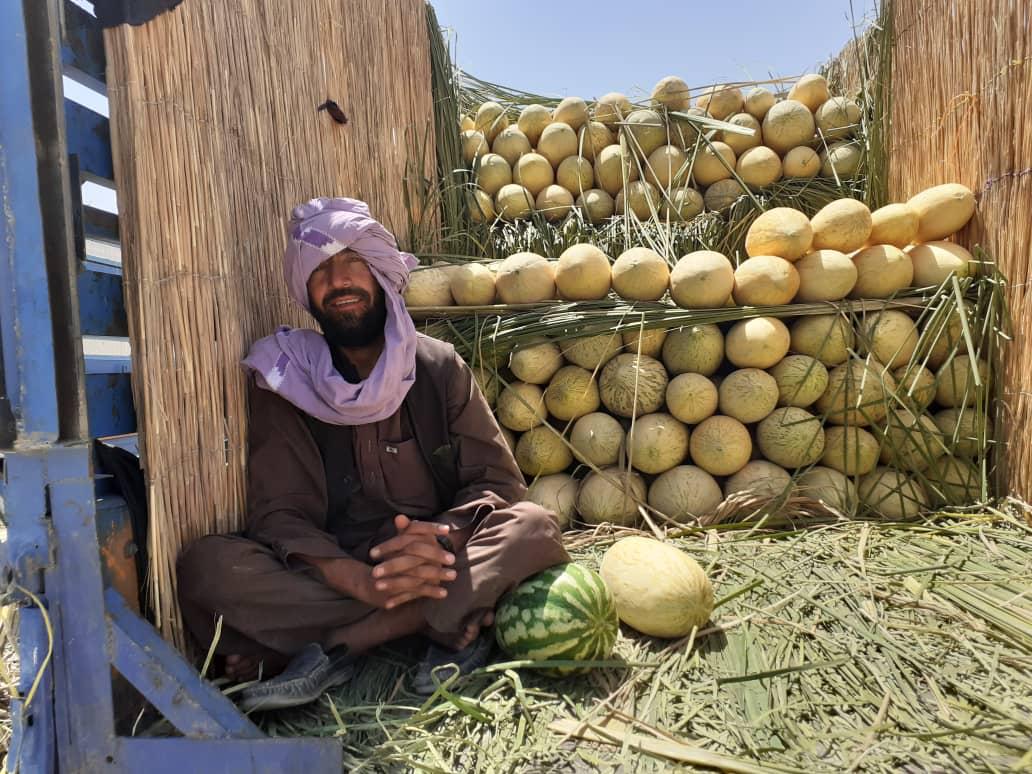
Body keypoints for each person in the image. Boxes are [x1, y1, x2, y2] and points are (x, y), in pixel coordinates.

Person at [177, 197, 570, 711]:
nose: (338, 280)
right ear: (305, 290)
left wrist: (440, 539)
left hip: (438, 559)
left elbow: (497, 483)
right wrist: (362, 581)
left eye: (353, 262)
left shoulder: (437, 368)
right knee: (206, 567)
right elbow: (281, 513)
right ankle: (445, 620)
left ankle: (339, 648)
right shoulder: (285, 380)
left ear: (382, 273)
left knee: (533, 526)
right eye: (319, 270)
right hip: (339, 574)